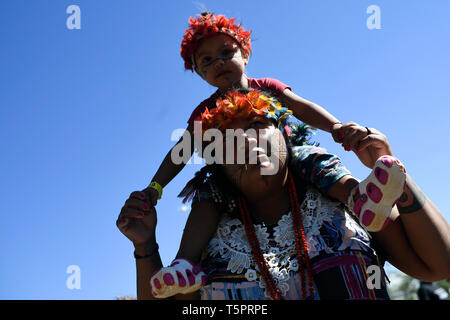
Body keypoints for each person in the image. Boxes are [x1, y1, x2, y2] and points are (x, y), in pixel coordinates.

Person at [139, 12, 406, 297]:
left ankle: (360, 199)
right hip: (231, 171)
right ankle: (185, 265)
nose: (218, 62)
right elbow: (181, 150)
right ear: (200, 73)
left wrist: (336, 128)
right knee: (206, 195)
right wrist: (155, 187)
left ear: (245, 53)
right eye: (206, 61)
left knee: (315, 160)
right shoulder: (205, 111)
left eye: (226, 52)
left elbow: (301, 107)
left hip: (285, 155)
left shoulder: (265, 87)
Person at [116, 89, 450, 300]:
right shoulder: (207, 242)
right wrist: (145, 247)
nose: (245, 142)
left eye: (257, 125)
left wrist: (396, 178)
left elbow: (438, 265)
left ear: (286, 137)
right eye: (227, 140)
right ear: (217, 163)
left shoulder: (351, 208)